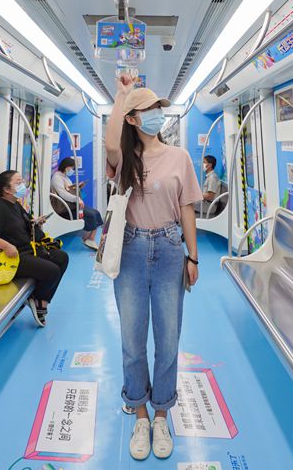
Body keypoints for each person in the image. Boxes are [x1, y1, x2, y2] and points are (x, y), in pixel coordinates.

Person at [104, 74, 202, 461]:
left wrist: (193, 256)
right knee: (132, 341)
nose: (157, 114)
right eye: (148, 110)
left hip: (169, 248)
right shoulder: (125, 159)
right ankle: (140, 413)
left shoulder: (180, 157)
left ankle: (161, 414)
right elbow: (111, 144)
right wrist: (122, 95)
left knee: (168, 339)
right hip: (130, 248)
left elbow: (187, 208)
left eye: (159, 108)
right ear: (132, 119)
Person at [0, 170, 69, 327]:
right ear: (7, 190)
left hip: (27, 249)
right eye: (18, 183)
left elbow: (24, 223)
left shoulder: (15, 204)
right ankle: (39, 302)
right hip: (13, 257)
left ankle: (41, 298)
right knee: (52, 271)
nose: (23, 185)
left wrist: (35, 222)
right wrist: (6, 246)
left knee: (62, 257)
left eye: (22, 182)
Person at [51, 157, 103, 250]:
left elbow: (69, 189)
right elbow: (63, 194)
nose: (72, 170)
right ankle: (87, 238)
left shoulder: (65, 177)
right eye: (72, 168)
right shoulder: (56, 178)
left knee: (96, 213)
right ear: (66, 166)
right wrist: (76, 199)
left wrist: (77, 187)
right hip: (66, 208)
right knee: (91, 215)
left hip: (72, 205)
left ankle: (90, 239)